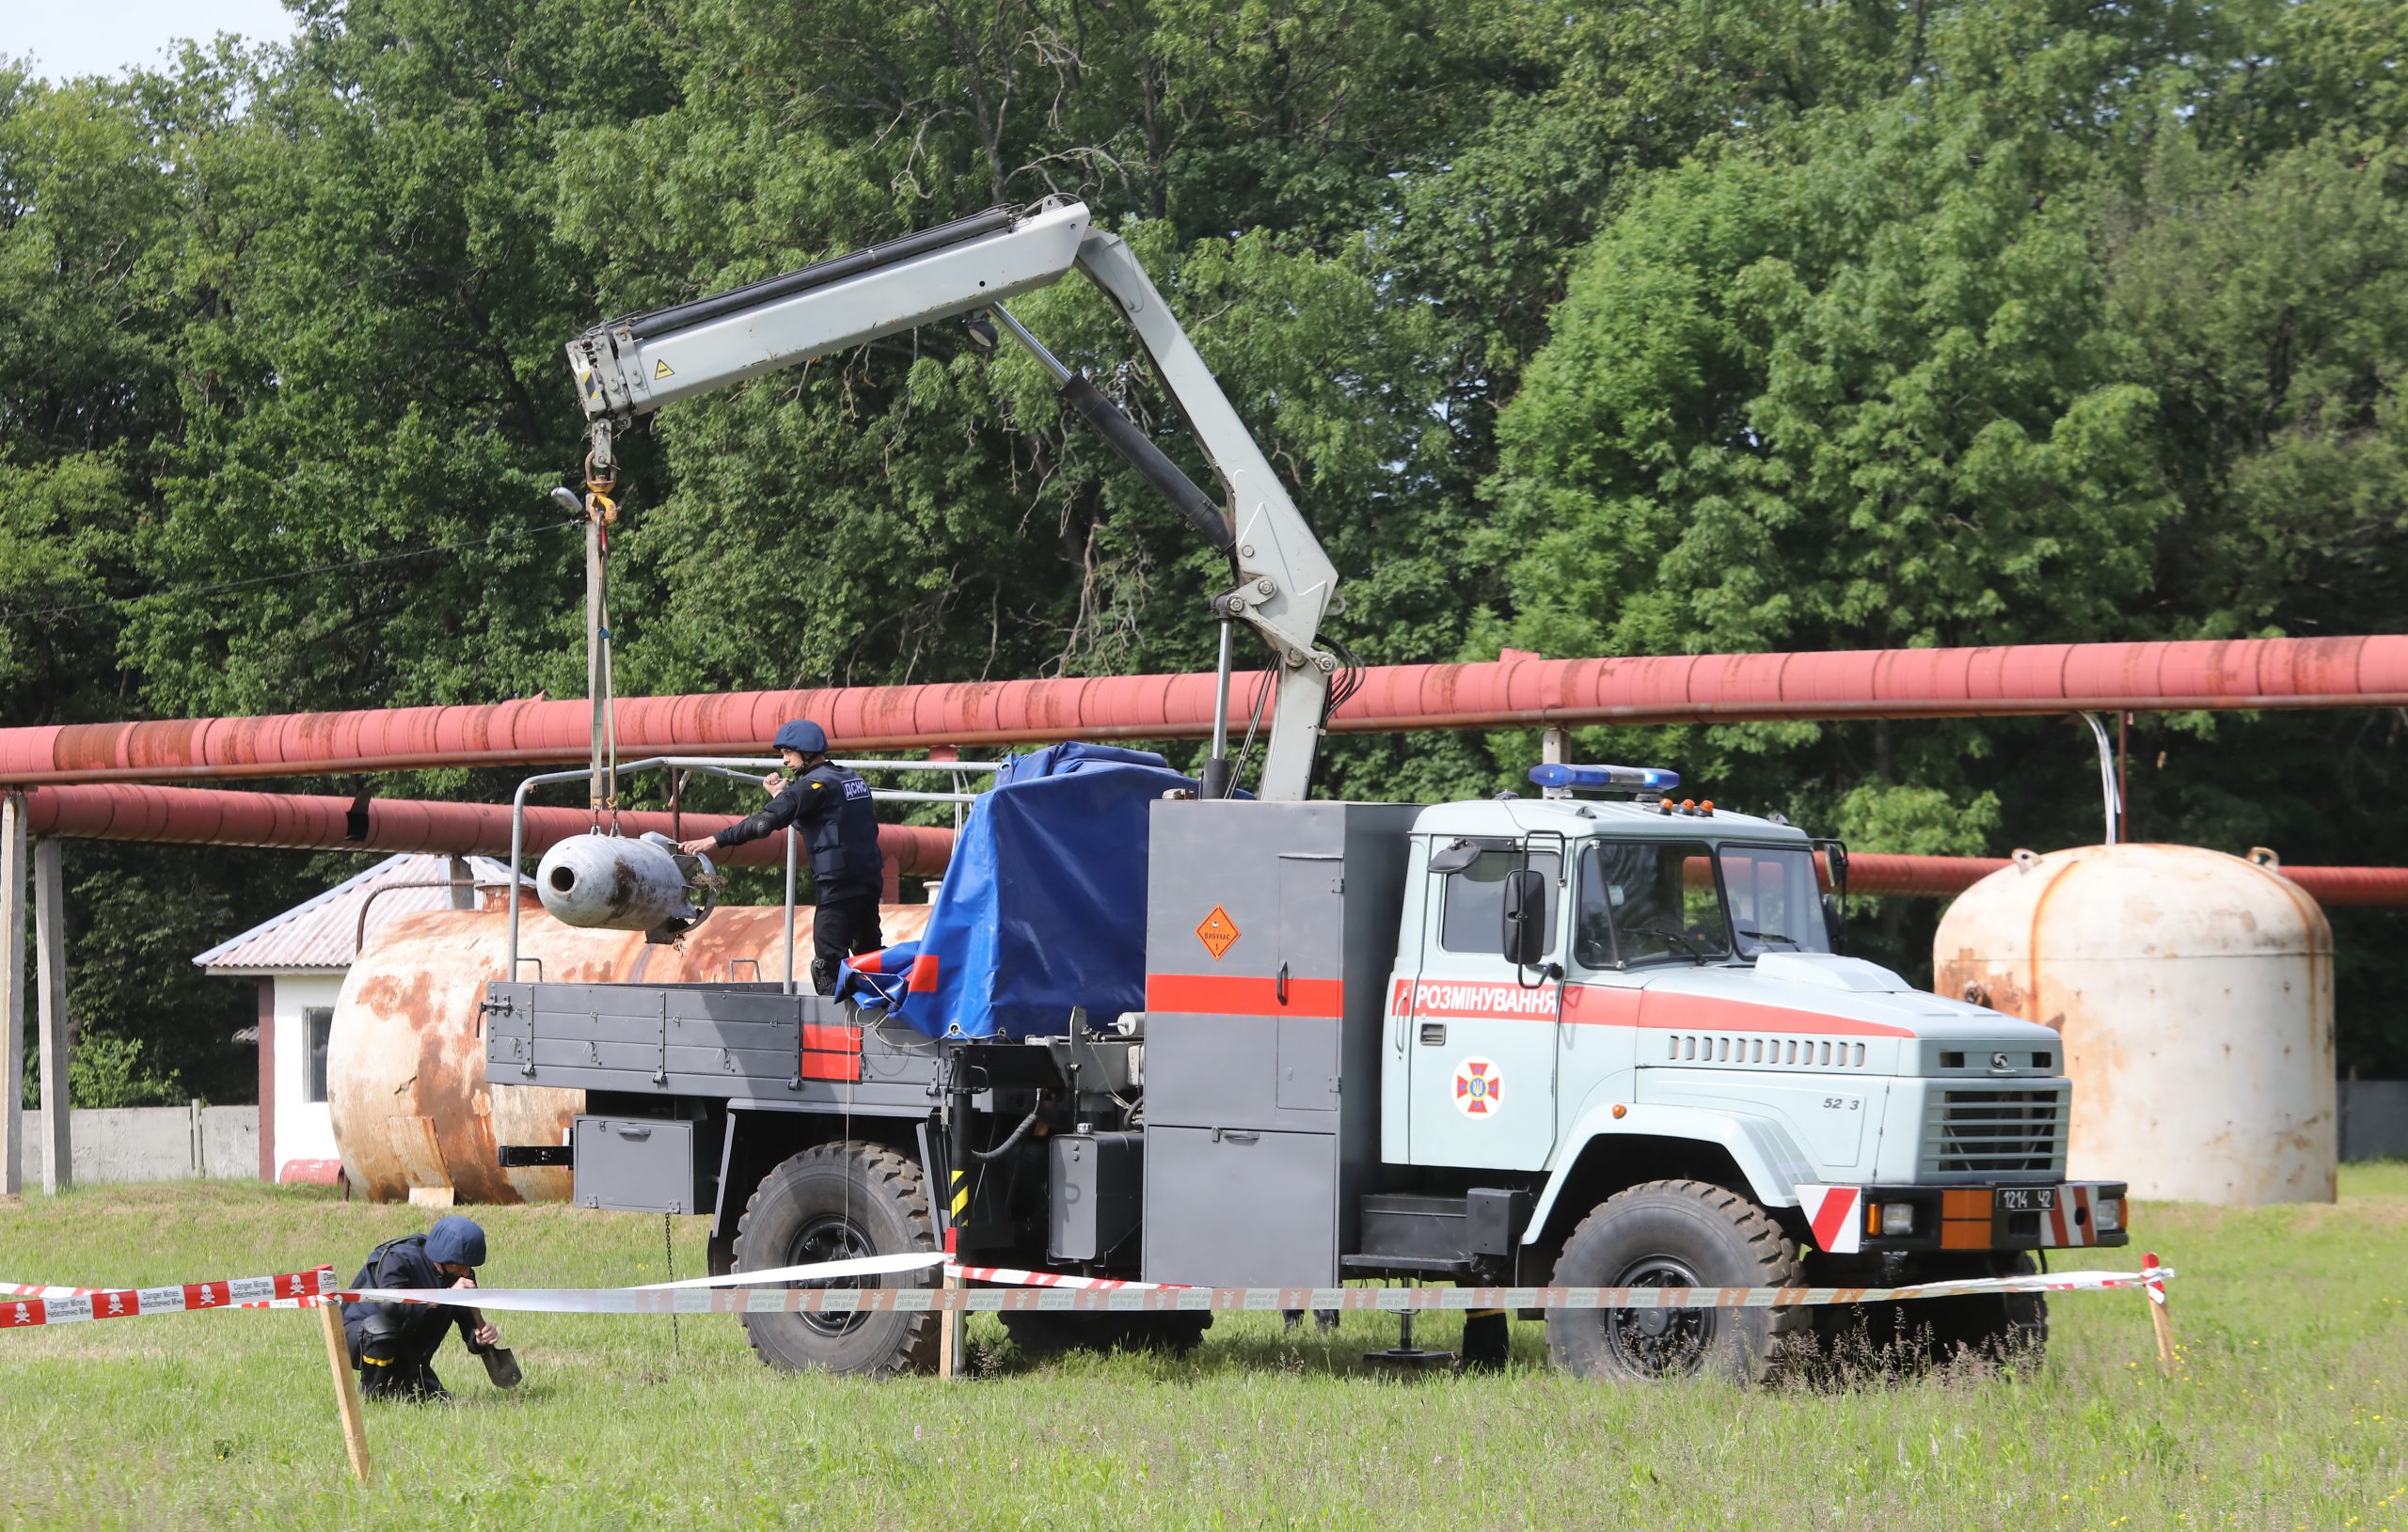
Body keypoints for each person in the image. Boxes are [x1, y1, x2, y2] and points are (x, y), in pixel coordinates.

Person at [679, 719, 884, 994]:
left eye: (788, 752)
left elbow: (763, 825)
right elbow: (822, 825)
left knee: (827, 968)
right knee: (868, 960)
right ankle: (880, 1024)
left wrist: (713, 840)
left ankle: (838, 1033)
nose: (784, 760)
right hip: (869, 881)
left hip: (838, 888)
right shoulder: (850, 778)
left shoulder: (811, 786)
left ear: (806, 752)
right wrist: (782, 795)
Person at [341, 1214, 499, 1403]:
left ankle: (405, 1379)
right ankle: (374, 1397)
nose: (467, 1272)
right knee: (380, 1330)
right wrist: (446, 1296)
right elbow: (391, 1307)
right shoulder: (398, 1258)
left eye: (469, 1266)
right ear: (445, 1257)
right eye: (462, 1265)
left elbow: (470, 1328)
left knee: (440, 1403)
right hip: (357, 1335)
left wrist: (480, 1338)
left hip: (408, 1352)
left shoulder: (461, 1276)